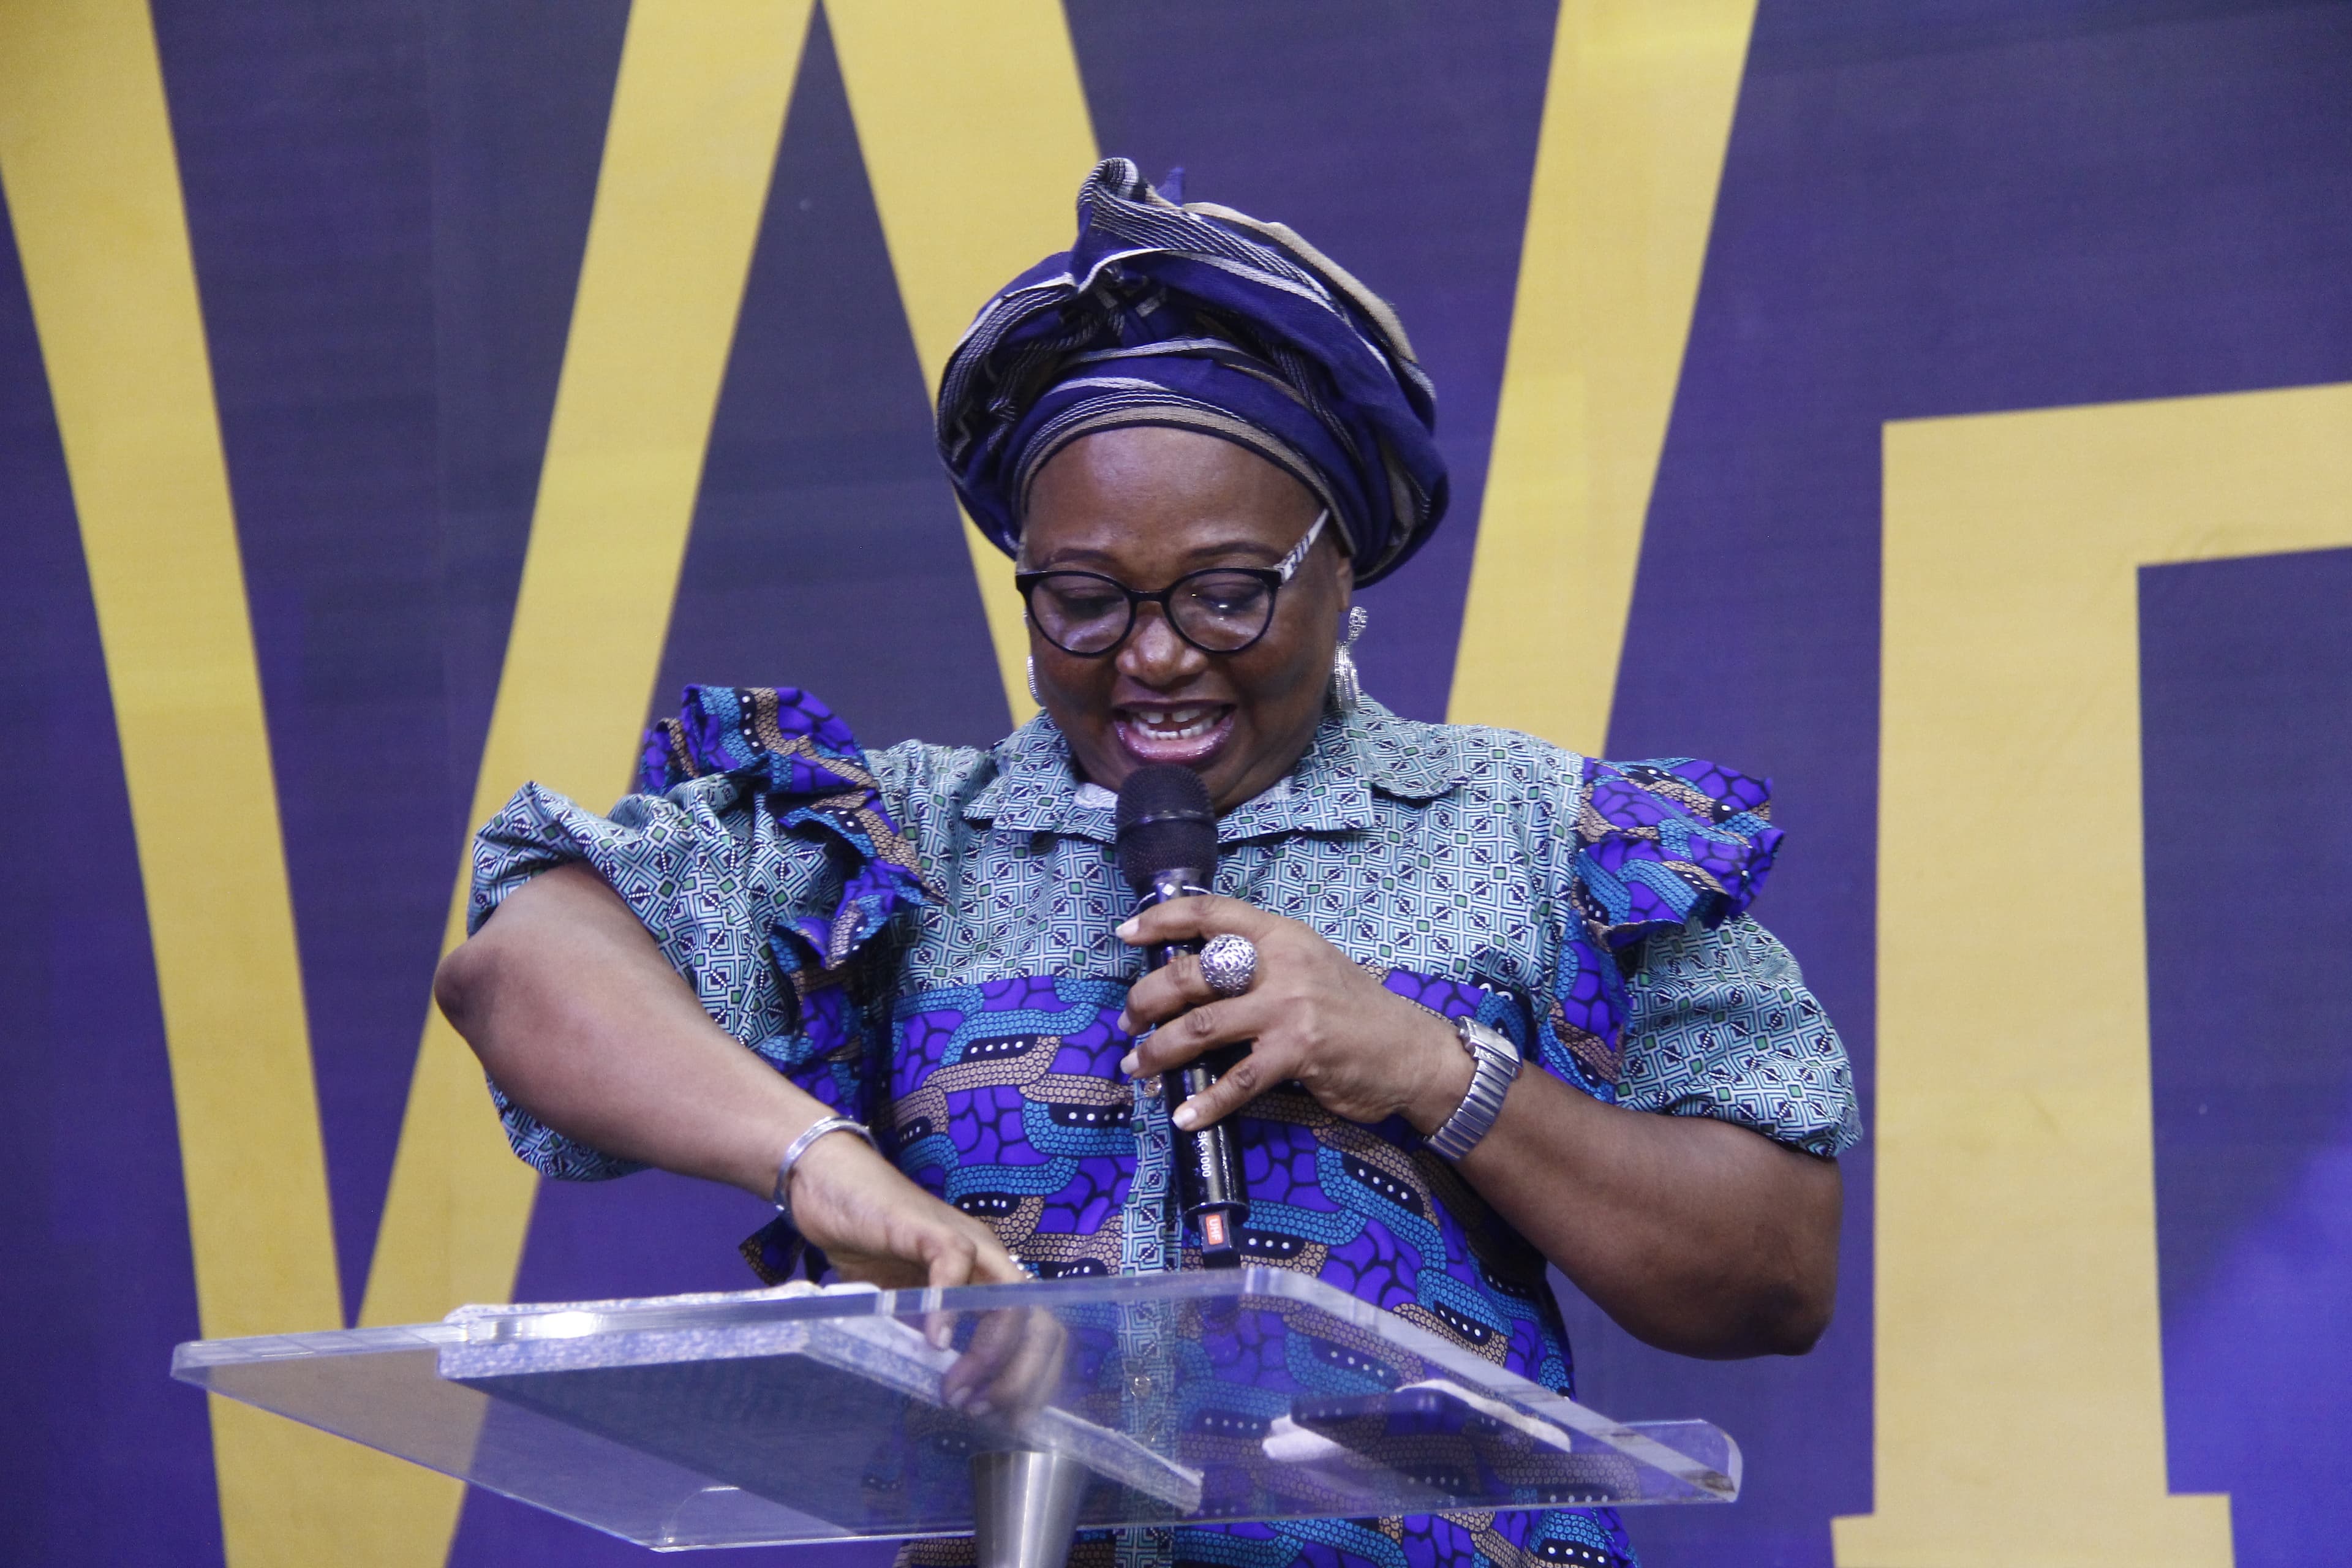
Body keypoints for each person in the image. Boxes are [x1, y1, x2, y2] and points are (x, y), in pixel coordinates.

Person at [435, 158, 1859, 1568]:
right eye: (1086, 600)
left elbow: (1774, 1267)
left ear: (1340, 565)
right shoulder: (907, 838)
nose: (1158, 652)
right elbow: (523, 960)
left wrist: (1429, 1062)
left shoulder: (1538, 831)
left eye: (1227, 593)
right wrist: (817, 1162)